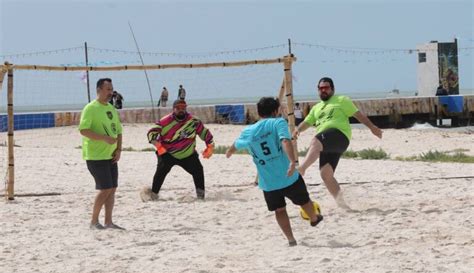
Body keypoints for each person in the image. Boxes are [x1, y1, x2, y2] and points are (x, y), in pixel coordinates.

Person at [226, 97, 323, 247]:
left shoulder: (248, 131)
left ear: (258, 112)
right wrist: (292, 161)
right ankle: (314, 218)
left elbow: (236, 144)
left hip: (268, 183)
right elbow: (285, 140)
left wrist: (229, 152)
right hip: (288, 177)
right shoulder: (278, 122)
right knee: (304, 201)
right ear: (275, 110)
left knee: (279, 210)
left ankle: (291, 240)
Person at [292, 77, 382, 209]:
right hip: (328, 144)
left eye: (326, 88)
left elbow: (358, 115)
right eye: (321, 88)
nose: (323, 90)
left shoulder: (341, 100)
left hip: (339, 135)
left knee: (315, 141)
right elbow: (307, 122)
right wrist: (297, 130)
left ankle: (302, 168)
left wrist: (372, 127)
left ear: (332, 89)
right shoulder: (316, 108)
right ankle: (342, 204)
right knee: (326, 174)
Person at [141, 99, 214, 201]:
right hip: (168, 154)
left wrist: (210, 147)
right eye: (178, 108)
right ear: (173, 109)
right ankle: (153, 195)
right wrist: (159, 147)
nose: (181, 110)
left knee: (198, 170)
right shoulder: (164, 122)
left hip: (188, 154)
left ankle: (200, 197)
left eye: (183, 108)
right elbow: (151, 134)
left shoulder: (194, 122)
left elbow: (206, 134)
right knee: (161, 172)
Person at [79, 78, 124, 230]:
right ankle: (93, 222)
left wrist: (119, 150)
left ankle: (109, 222)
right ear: (99, 90)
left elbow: (118, 131)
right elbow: (84, 130)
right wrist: (104, 138)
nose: (111, 92)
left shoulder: (111, 108)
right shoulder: (90, 108)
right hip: (95, 156)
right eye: (107, 89)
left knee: (112, 189)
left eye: (111, 89)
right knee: (105, 189)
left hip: (111, 156)